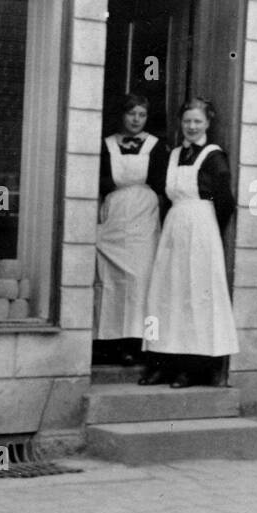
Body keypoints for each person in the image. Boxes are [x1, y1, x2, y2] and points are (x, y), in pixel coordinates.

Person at [139, 97, 239, 388]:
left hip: (201, 230)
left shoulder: (214, 156)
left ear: (207, 123)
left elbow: (226, 203)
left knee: (195, 298)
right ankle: (162, 363)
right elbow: (167, 197)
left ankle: (193, 368)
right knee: (166, 294)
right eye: (187, 121)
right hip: (174, 230)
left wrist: (208, 232)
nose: (192, 126)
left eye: (197, 121)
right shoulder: (172, 155)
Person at [95, 95, 168, 364]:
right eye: (131, 114)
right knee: (110, 279)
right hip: (114, 215)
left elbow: (163, 187)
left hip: (143, 218)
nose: (136, 120)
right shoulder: (106, 145)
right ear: (122, 116)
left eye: (142, 115)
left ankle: (138, 344)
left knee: (140, 281)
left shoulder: (156, 146)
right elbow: (97, 181)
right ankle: (108, 342)